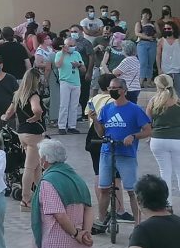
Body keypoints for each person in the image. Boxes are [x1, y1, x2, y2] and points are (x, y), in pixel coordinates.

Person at [91, 77, 152, 228]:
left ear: (124, 90)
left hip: (126, 154)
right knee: (104, 188)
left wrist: (133, 136)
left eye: (115, 88)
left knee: (132, 190)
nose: (112, 91)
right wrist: (95, 121)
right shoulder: (106, 109)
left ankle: (138, 224)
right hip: (107, 152)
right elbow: (101, 133)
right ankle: (101, 220)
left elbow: (148, 130)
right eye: (110, 88)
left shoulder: (135, 109)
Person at [2, 69, 47, 211]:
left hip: (22, 133)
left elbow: (8, 113)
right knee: (29, 168)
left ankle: (41, 196)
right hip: (34, 134)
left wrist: (3, 118)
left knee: (36, 167)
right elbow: (37, 109)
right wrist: (36, 117)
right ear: (35, 80)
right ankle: (25, 200)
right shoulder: (33, 95)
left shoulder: (18, 95)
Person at [147, 74, 180, 201]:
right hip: (177, 139)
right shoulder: (178, 102)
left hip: (158, 140)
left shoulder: (153, 102)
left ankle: (167, 204)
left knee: (164, 172)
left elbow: (148, 122)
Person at [55, 38, 86, 134]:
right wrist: (63, 54)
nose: (71, 47)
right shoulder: (59, 54)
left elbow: (83, 69)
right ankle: (62, 126)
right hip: (65, 81)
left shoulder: (77, 54)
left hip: (76, 82)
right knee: (64, 105)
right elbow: (58, 65)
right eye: (69, 45)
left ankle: (72, 126)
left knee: (74, 105)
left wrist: (79, 65)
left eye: (73, 46)